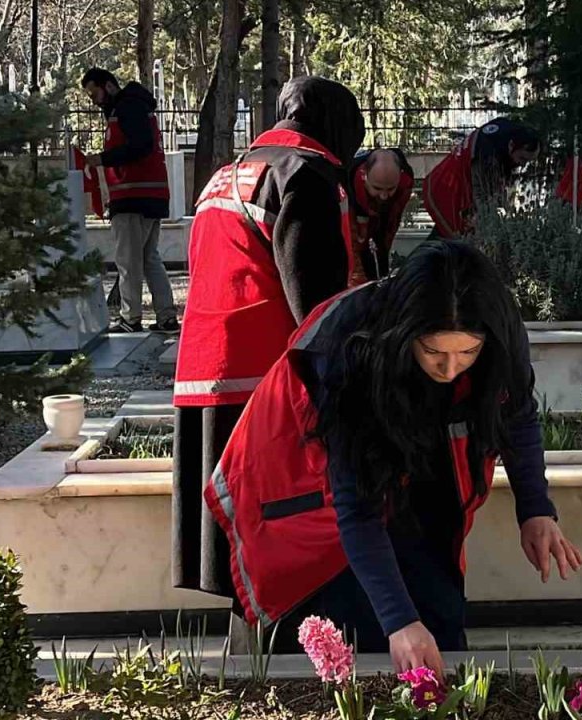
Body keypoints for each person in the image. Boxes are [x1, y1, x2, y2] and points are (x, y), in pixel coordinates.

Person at [205, 241, 582, 676]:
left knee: (437, 609)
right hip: (304, 490)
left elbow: (516, 412)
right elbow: (356, 506)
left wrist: (535, 508)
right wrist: (399, 621)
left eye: (467, 353)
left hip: (412, 468)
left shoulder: (499, 328)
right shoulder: (347, 349)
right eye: (434, 352)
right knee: (356, 635)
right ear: (405, 334)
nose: (450, 370)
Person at [171, 76, 365, 615]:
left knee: (236, 528)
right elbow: (318, 304)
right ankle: (287, 649)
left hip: (206, 370)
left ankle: (250, 645)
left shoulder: (226, 175)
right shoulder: (306, 175)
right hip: (269, 378)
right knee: (280, 524)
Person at [79, 68, 179, 334]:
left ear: (109, 86)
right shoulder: (136, 107)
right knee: (149, 258)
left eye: (95, 92)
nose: (94, 100)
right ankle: (166, 316)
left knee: (128, 260)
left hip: (132, 196)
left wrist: (102, 159)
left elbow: (139, 146)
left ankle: (130, 318)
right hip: (150, 194)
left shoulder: (127, 108)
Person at [422, 117, 541, 239]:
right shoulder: (488, 156)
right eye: (522, 159)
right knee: (455, 238)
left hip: (457, 186)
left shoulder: (510, 133)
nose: (523, 165)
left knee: (456, 234)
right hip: (445, 188)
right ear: (511, 146)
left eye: (528, 161)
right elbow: (482, 196)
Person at [344, 147, 414, 283]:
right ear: (364, 175)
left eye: (390, 189)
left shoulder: (405, 181)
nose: (383, 196)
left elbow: (391, 226)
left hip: (382, 222)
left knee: (381, 266)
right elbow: (353, 245)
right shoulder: (348, 184)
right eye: (377, 188)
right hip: (355, 222)